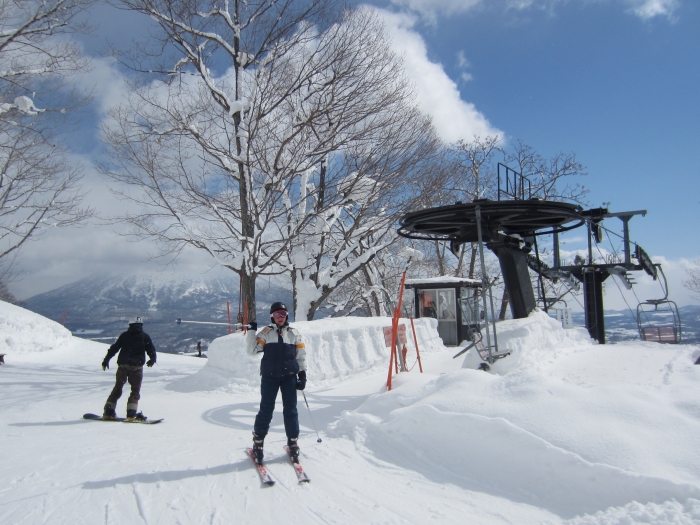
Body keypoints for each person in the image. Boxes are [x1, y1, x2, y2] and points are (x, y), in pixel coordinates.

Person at [246, 302, 306, 464]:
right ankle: (258, 444)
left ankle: (293, 443)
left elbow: (300, 355)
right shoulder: (266, 333)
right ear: (272, 316)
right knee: (266, 409)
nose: (281, 317)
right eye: (278, 314)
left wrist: (302, 374)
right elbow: (252, 351)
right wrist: (251, 331)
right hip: (269, 377)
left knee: (291, 410)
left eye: (284, 314)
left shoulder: (294, 334)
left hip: (289, 377)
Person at [101, 316, 157, 421]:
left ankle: (108, 412)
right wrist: (152, 359)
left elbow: (114, 348)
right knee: (135, 391)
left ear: (130, 325)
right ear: (141, 325)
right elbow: (151, 349)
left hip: (122, 366)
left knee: (117, 388)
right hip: (136, 367)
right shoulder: (144, 336)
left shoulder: (124, 336)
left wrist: (106, 359)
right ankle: (131, 414)